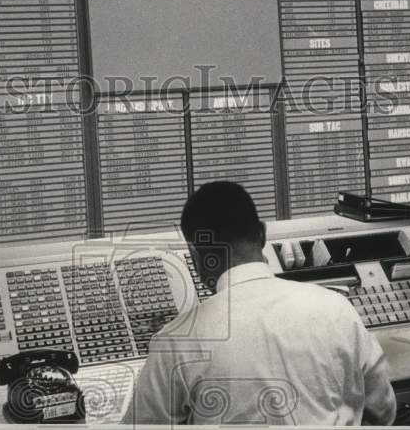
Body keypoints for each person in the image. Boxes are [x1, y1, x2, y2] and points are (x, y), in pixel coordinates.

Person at [122, 181, 395, 425]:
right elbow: (383, 409)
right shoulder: (337, 309)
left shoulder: (175, 343)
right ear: (262, 235)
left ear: (195, 255)